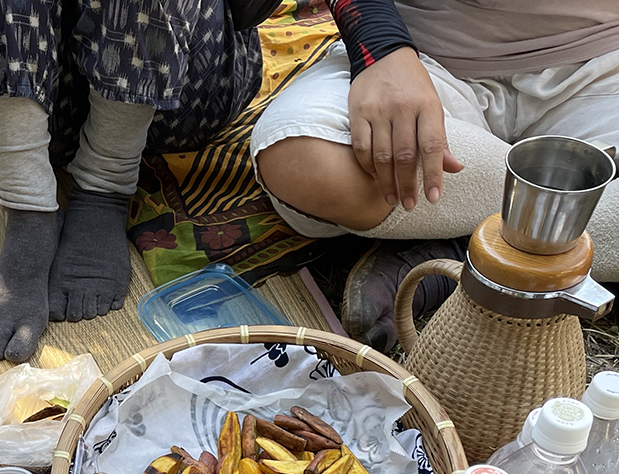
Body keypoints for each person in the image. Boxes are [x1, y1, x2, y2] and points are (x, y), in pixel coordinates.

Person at [250, 0, 619, 350]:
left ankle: (469, 251)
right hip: (423, 57)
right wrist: (380, 49)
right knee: (305, 158)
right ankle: (552, 224)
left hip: (602, 66)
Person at [0, 0, 267, 362]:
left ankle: (106, 181)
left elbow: (251, 11)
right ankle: (28, 205)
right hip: (44, 92)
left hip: (180, 87)